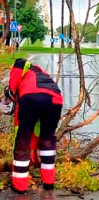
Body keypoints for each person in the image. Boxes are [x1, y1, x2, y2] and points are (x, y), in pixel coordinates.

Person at [4, 58, 63, 193]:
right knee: (47, 140)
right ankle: (49, 182)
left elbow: (13, 86)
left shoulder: (20, 65)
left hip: (30, 98)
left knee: (22, 140)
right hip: (56, 99)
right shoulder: (42, 75)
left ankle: (20, 185)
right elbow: (37, 130)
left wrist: (11, 93)